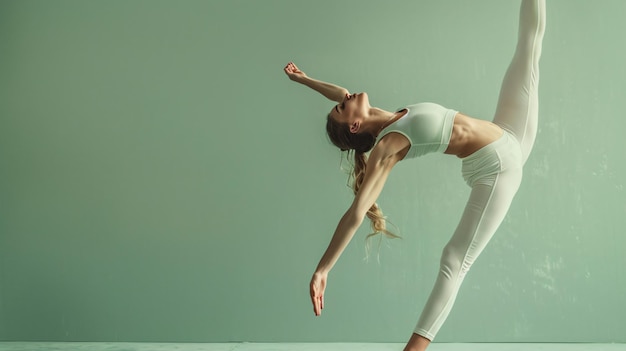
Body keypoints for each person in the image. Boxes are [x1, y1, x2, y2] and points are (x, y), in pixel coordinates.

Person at [283, 0, 545, 350]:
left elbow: (340, 92)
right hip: (497, 167)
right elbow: (358, 211)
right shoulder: (387, 145)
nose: (345, 96)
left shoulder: (383, 116)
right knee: (454, 260)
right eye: (343, 107)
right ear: (356, 123)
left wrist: (303, 80)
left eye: (341, 102)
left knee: (529, 43)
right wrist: (323, 268)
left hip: (509, 131)